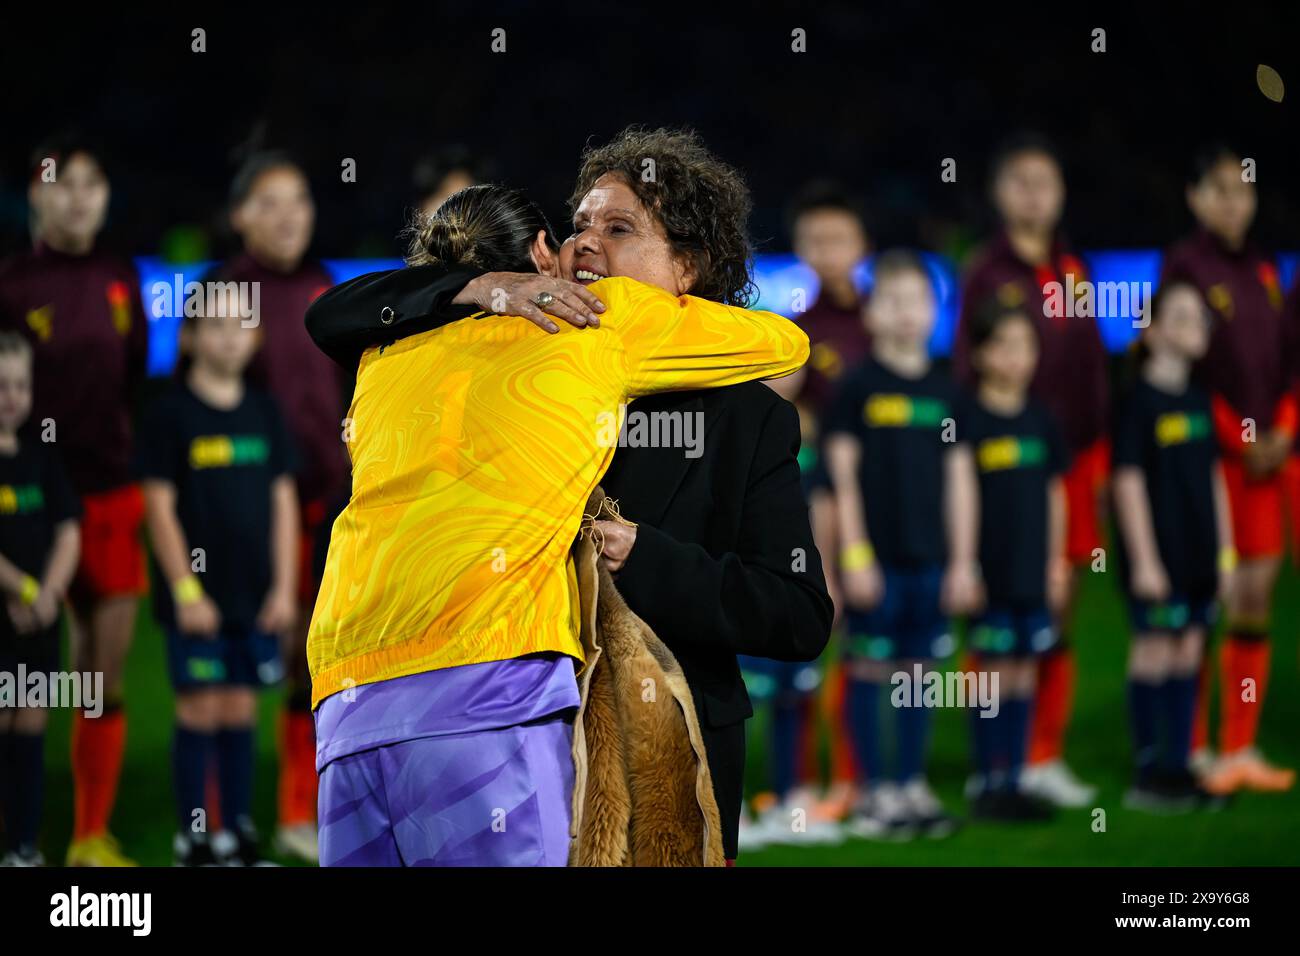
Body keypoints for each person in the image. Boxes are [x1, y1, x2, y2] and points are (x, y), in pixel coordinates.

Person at [305, 127, 834, 863]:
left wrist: (648, 559)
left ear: (687, 267)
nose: (587, 244)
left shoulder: (746, 419)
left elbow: (799, 614)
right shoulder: (516, 357)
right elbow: (335, 313)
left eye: (618, 229)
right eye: (579, 224)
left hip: (665, 766)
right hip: (512, 725)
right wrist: (479, 287)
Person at [0, 136, 148, 866]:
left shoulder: (122, 277)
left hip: (111, 498)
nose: (79, 195)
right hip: (25, 504)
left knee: (102, 675)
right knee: (19, 675)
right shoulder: (11, 284)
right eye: (62, 182)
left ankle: (90, 834)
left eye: (92, 182)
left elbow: (129, 390)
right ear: (35, 194)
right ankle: (21, 830)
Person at [954, 132, 1105, 808]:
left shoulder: (1074, 270)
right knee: (998, 616)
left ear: (1061, 192)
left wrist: (1096, 455)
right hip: (1002, 467)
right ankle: (996, 763)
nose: (1035, 195)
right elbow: (966, 371)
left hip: (1070, 461)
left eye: (1046, 182)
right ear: (999, 194)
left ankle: (1043, 754)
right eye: (1021, 182)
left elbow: (1095, 365)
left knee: (1057, 610)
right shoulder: (987, 273)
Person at [206, 152, 347, 861]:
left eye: (299, 199)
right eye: (270, 201)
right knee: (225, 656)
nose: (289, 214)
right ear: (239, 216)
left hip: (328, 506)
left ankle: (299, 810)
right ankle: (210, 821)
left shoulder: (325, 287)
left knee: (313, 660)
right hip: (251, 512)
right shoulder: (227, 294)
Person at [136, 301, 299, 865]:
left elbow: (283, 503)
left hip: (255, 598)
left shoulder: (264, 412)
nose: (230, 337)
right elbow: (158, 508)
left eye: (241, 325)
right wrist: (185, 590)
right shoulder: (169, 415)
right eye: (216, 326)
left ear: (254, 339)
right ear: (189, 337)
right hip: (198, 602)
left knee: (239, 711)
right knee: (199, 711)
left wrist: (283, 589)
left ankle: (236, 833)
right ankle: (194, 837)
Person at [824, 249, 978, 840]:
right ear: (872, 311)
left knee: (919, 671)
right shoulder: (857, 387)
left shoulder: (948, 390)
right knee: (867, 667)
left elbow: (961, 480)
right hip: (875, 564)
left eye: (919, 301)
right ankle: (872, 789)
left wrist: (963, 562)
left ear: (935, 311)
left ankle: (910, 782)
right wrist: (855, 554)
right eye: (893, 301)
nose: (907, 313)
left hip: (932, 561)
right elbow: (841, 475)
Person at [1161, 144, 1294, 793]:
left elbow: (1290, 361)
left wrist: (1284, 430)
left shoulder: (1267, 267)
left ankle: (1238, 746)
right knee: (1203, 604)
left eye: (1243, 189)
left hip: (1272, 461)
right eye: (1218, 190)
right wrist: (1240, 437)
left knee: (1252, 602)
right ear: (1194, 197)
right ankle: (1190, 749)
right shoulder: (1184, 267)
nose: (1233, 201)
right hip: (1214, 466)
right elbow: (1180, 368)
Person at [1112, 281, 1231, 810]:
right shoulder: (1138, 400)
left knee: (1189, 649)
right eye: (1180, 317)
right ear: (1153, 330)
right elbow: (1128, 482)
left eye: (1199, 317)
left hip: (1200, 553)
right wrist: (1144, 560)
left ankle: (1180, 766)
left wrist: (1226, 554)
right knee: (1155, 648)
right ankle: (1148, 774)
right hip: (1158, 557)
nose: (1195, 326)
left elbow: (1213, 477)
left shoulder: (1200, 398)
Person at [955, 301, 1067, 821]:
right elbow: (960, 496)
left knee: (1024, 667)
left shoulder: (1042, 418)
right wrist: (966, 565)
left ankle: (1018, 773)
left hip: (1032, 568)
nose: (1015, 356)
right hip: (989, 570)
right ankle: (988, 775)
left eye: (1024, 345)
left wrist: (1056, 562)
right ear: (980, 354)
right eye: (1002, 345)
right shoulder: (967, 418)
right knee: (992, 672)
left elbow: (1055, 494)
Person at [0, 332, 80, 866]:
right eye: (1, 386)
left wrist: (49, 593)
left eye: (21, 385)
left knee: (29, 735)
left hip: (38, 625)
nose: (12, 396)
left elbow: (68, 530)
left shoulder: (41, 458)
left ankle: (23, 847)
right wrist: (24, 590)